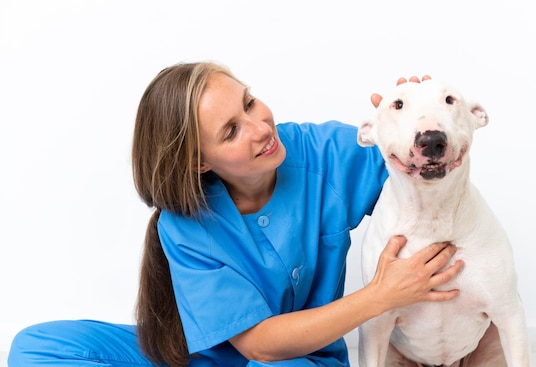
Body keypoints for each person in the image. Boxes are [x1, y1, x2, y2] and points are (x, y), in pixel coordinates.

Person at [8, 62, 464, 366]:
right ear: (198, 162)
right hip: (201, 357)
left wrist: (414, 122)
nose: (260, 127)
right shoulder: (184, 224)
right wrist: (379, 296)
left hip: (298, 361)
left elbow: (421, 173)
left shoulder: (321, 152)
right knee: (35, 346)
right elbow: (257, 341)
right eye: (231, 131)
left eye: (248, 102)